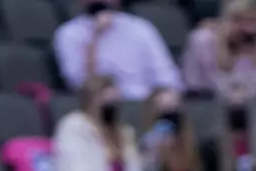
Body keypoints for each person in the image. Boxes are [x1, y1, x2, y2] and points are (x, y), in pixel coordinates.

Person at [53, 0, 183, 102]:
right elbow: (78, 84)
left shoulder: (141, 28)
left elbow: (168, 77)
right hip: (100, 108)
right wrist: (95, 36)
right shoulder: (68, 33)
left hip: (145, 105)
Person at [181, 0, 256, 101]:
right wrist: (224, 48)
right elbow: (195, 86)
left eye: (254, 22)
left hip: (251, 107)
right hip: (203, 104)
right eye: (240, 21)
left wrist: (250, 54)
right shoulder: (203, 40)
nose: (248, 29)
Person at [140, 88, 205, 171]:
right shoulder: (147, 143)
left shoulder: (194, 144)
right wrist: (154, 156)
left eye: (173, 106)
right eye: (164, 108)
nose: (169, 113)